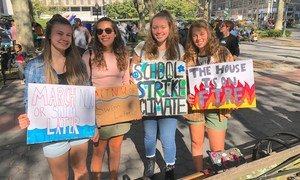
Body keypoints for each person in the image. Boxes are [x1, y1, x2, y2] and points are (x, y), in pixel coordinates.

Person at [17, 16, 98, 180]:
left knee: (81, 171)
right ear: (49, 36)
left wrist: (93, 124)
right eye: (59, 34)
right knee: (61, 176)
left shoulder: (79, 64)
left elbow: (86, 97)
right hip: (50, 132)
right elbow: (30, 101)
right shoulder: (34, 66)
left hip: (78, 129)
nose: (65, 38)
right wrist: (27, 118)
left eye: (69, 35)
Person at [131, 10, 185, 179]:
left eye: (163, 27)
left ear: (170, 28)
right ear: (151, 29)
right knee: (149, 136)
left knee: (168, 137)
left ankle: (170, 168)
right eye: (155, 27)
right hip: (148, 102)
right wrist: (133, 79)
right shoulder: (141, 48)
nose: (159, 31)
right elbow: (133, 70)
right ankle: (150, 164)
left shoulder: (178, 49)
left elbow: (182, 73)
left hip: (169, 103)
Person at [82, 17, 131, 180]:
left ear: (115, 33)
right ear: (95, 34)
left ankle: (113, 177)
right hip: (98, 113)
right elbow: (85, 88)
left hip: (119, 110)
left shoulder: (124, 53)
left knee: (116, 149)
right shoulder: (88, 55)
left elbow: (125, 81)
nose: (104, 34)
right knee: (98, 151)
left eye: (108, 30)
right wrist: (90, 119)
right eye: (99, 31)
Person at [183, 20, 234, 172]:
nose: (198, 39)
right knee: (196, 143)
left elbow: (234, 79)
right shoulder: (187, 57)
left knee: (217, 148)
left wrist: (236, 98)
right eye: (194, 36)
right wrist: (186, 95)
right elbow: (180, 83)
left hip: (218, 108)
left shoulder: (223, 52)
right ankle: (200, 174)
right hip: (195, 108)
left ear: (209, 34)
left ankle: (218, 174)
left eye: (202, 34)